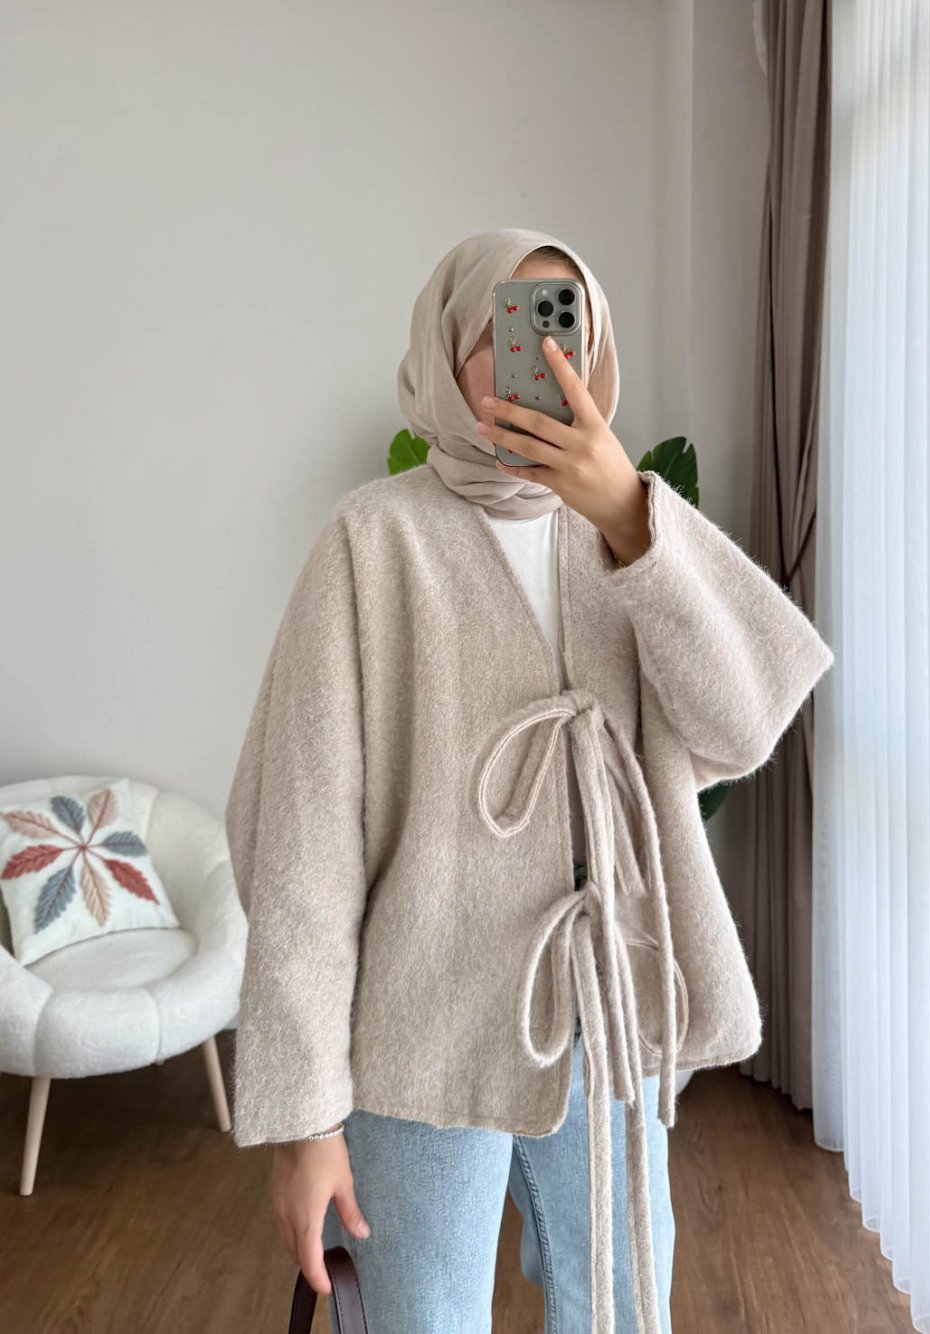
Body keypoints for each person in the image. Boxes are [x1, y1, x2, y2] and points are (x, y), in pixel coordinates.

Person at [224, 228, 836, 1334]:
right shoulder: (373, 540)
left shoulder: (631, 530)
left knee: (623, 1307)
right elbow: (301, 846)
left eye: (567, 332)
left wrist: (632, 519)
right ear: (449, 347)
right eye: (511, 333)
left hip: (604, 1012)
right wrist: (304, 1122)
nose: (543, 364)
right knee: (425, 1318)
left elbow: (745, 721)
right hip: (416, 1029)